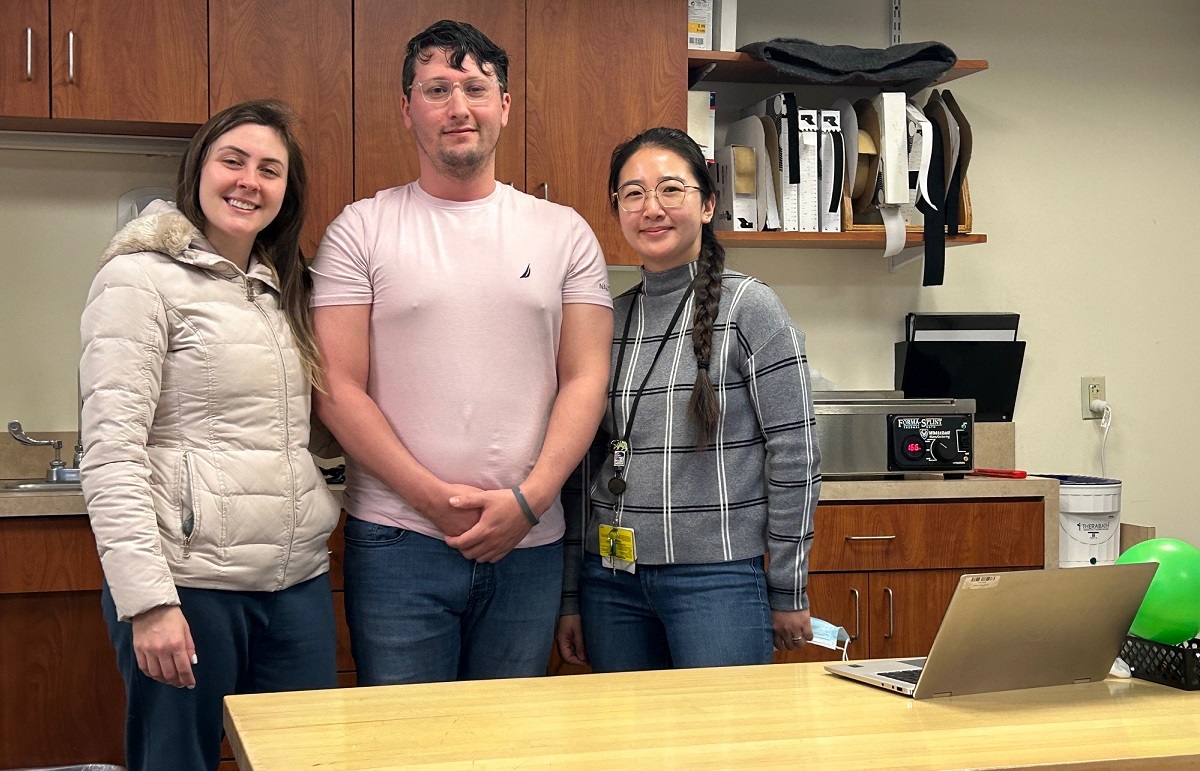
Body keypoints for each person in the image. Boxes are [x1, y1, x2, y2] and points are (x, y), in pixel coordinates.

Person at [309, 19, 613, 685]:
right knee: (403, 736)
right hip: (397, 541)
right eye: (437, 88)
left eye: (475, 88)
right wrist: (431, 500)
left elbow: (586, 379)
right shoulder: (360, 230)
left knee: (508, 735)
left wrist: (529, 501)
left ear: (504, 104)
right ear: (407, 107)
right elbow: (336, 386)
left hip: (529, 544)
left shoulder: (564, 233)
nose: (458, 106)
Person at [80, 99, 341, 771]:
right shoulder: (138, 277)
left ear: (286, 191)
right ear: (198, 168)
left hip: (296, 582)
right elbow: (111, 453)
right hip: (190, 583)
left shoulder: (285, 288)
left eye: (270, 169)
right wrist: (149, 603)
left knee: (305, 759)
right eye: (233, 161)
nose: (249, 181)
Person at [555, 127, 822, 673]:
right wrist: (571, 595)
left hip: (716, 581)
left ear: (707, 205)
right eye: (633, 194)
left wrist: (788, 586)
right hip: (612, 582)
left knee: (720, 730)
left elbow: (795, 454)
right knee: (627, 732)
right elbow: (581, 466)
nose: (651, 208)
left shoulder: (750, 308)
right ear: (617, 209)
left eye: (670, 189)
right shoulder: (606, 318)